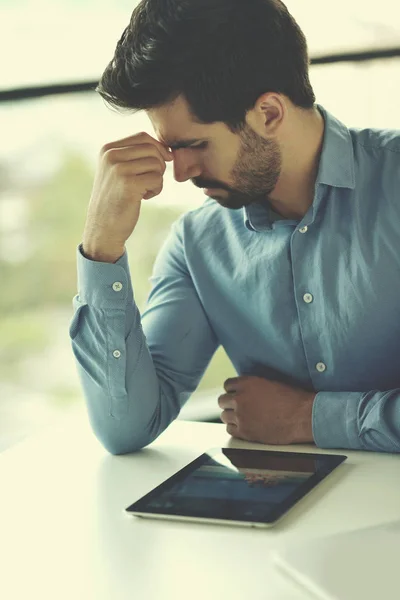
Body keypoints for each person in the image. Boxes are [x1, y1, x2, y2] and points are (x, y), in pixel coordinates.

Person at [70, 0, 400, 455]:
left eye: (194, 145)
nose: (180, 172)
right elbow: (125, 427)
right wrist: (101, 247)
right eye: (170, 149)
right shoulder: (196, 245)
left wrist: (306, 417)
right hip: (285, 524)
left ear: (268, 113)